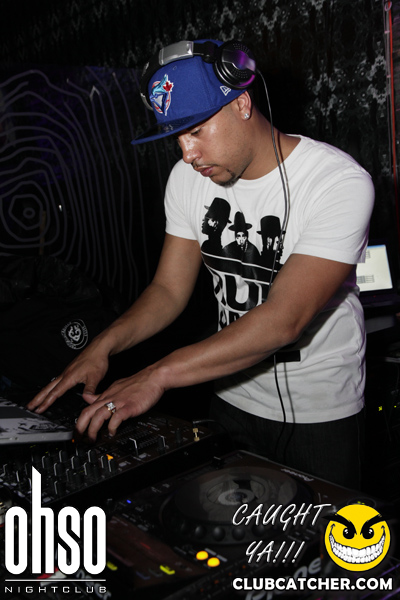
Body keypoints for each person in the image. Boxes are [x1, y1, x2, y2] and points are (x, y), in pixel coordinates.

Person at [27, 39, 374, 488]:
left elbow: (283, 320)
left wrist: (158, 375)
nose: (186, 154)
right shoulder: (186, 180)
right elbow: (168, 290)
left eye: (195, 131)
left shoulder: (337, 182)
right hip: (228, 396)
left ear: (242, 104)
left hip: (321, 414)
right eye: (177, 137)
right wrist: (104, 345)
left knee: (321, 532)